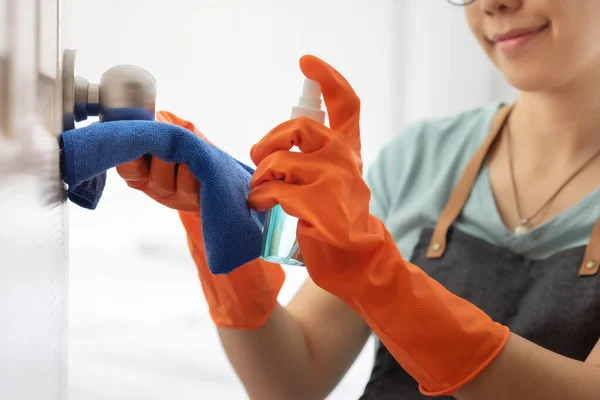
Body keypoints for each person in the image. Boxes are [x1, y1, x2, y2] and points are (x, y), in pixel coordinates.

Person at [115, 0, 600, 398]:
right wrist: (215, 220)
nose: (494, 4)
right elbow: (292, 381)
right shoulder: (421, 160)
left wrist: (376, 275)